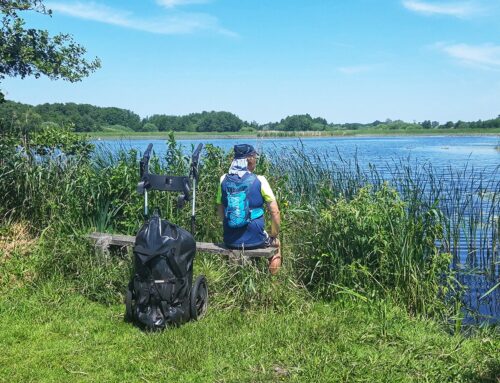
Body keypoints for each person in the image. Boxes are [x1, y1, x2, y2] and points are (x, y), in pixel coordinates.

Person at [216, 144, 281, 274]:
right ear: (250, 159)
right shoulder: (260, 180)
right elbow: (275, 211)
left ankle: (236, 276)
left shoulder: (223, 180)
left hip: (230, 239)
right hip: (256, 239)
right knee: (277, 244)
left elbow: (220, 211)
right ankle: (274, 282)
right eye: (255, 157)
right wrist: (274, 234)